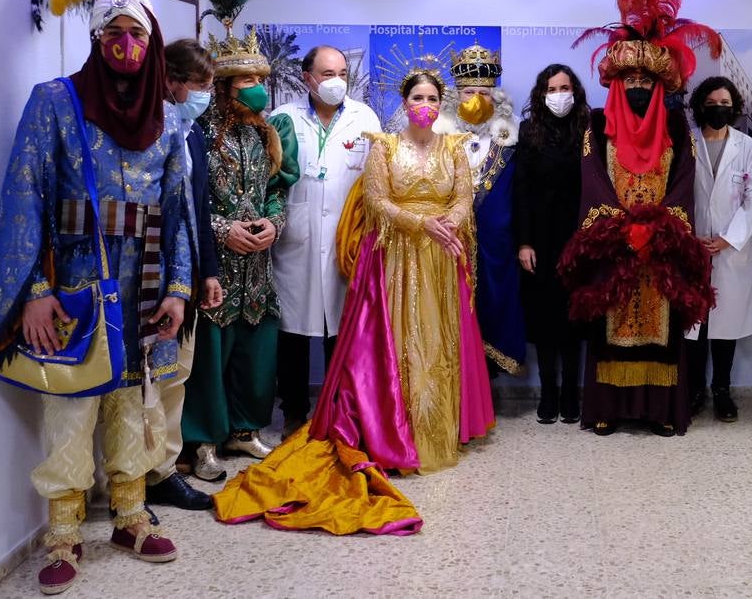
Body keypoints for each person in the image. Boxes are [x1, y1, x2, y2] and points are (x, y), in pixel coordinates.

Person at [0, 0, 193, 594]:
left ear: (152, 45)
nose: (126, 46)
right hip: (75, 281)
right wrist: (37, 290)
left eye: (138, 35)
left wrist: (178, 289)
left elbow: (178, 210)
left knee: (137, 397)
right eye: (113, 34)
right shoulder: (54, 102)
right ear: (97, 40)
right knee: (72, 400)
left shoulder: (169, 119)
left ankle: (129, 514)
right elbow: (26, 195)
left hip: (145, 279)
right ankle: (65, 532)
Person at [214, 69, 492, 519]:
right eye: (417, 96)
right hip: (397, 256)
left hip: (441, 256)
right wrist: (424, 224)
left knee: (439, 343)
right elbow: (377, 202)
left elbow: (462, 197)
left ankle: (437, 425)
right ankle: (395, 428)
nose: (425, 104)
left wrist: (451, 222)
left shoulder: (455, 148)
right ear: (404, 103)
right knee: (399, 343)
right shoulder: (383, 146)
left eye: (432, 97)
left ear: (441, 104)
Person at [559, 0, 718, 438]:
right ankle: (608, 409)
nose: (637, 87)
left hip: (661, 247)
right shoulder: (595, 125)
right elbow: (592, 180)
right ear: (614, 83)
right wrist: (622, 229)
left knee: (662, 327)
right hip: (613, 244)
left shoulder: (676, 130)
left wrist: (658, 227)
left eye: (647, 80)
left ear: (661, 85)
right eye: (628, 78)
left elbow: (684, 181)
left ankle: (661, 411)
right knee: (609, 321)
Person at [181, 25, 296, 472]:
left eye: (259, 81)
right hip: (216, 264)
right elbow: (186, 198)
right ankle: (203, 440)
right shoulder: (197, 134)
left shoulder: (262, 134)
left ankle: (244, 431)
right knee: (212, 353)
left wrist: (273, 221)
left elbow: (275, 189)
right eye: (247, 82)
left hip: (258, 266)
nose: (258, 90)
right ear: (225, 88)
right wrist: (222, 228)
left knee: (256, 348)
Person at [269, 46, 381, 437]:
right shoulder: (283, 118)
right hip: (295, 241)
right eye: (327, 73)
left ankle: (338, 413)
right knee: (294, 333)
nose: (336, 81)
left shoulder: (364, 118)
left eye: (342, 73)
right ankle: (294, 415)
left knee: (341, 329)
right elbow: (272, 180)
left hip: (345, 240)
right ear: (307, 77)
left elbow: (376, 183)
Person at [143, 40, 225, 509]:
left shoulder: (190, 131)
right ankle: (133, 476)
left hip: (186, 278)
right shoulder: (147, 129)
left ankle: (164, 470)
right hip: (151, 278)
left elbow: (199, 208)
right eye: (201, 86)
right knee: (146, 383)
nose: (206, 95)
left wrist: (206, 272)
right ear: (172, 81)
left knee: (176, 376)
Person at [435, 44, 526, 377]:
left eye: (484, 92)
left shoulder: (514, 136)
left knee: (494, 306)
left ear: (496, 96)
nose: (476, 99)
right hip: (448, 240)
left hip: (496, 243)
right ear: (456, 95)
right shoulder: (437, 135)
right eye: (468, 91)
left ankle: (487, 386)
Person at [685, 76, 752, 422]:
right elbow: (677, 194)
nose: (720, 108)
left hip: (732, 250)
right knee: (694, 323)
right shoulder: (687, 142)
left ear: (734, 107)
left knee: (726, 324)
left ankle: (721, 390)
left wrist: (728, 239)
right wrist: (691, 237)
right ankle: (694, 391)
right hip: (692, 246)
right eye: (713, 102)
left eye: (726, 103)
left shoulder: (746, 145)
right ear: (700, 105)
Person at [514, 63, 589, 424]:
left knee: (574, 317)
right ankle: (548, 393)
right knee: (545, 318)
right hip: (540, 238)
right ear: (542, 95)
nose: (560, 95)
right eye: (552, 89)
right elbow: (522, 190)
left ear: (575, 91)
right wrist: (524, 242)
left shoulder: (590, 129)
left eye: (565, 88)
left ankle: (572, 393)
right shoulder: (528, 131)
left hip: (579, 235)